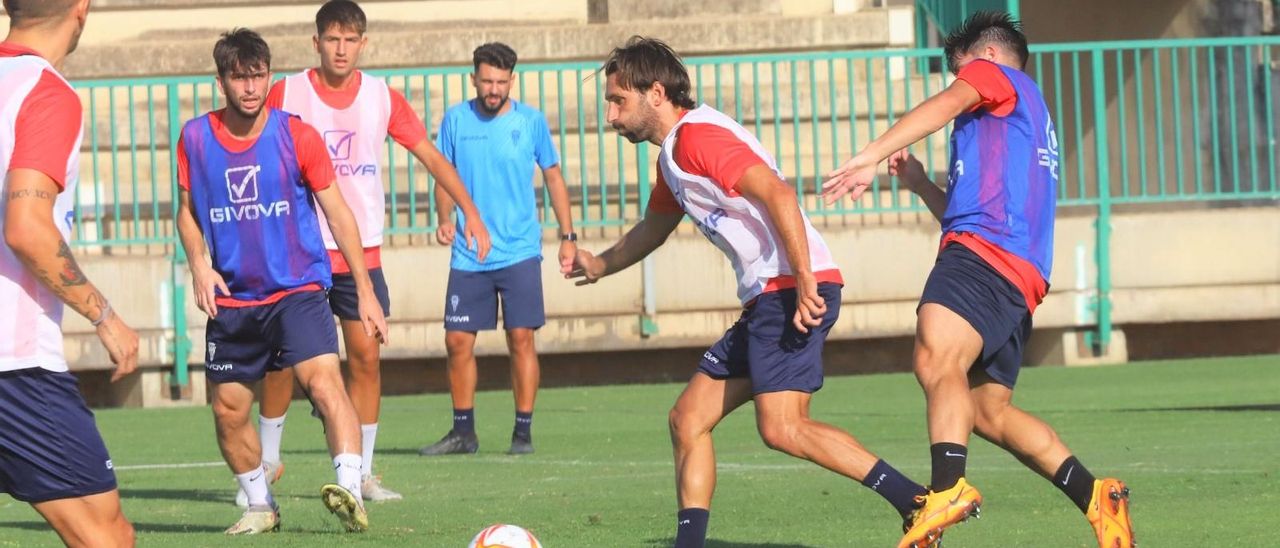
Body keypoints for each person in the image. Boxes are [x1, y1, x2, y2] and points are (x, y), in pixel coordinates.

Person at [569, 36, 930, 548]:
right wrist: (599, 264)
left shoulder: (697, 138)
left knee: (782, 427)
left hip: (790, 289)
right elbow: (655, 227)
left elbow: (778, 191)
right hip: (772, 293)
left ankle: (918, 501)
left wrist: (804, 277)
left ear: (655, 93)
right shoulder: (674, 156)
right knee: (688, 418)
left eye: (617, 101)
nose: (610, 116)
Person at [821, 12, 1134, 548]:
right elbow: (968, 212)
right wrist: (920, 185)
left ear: (986, 59)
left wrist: (868, 156)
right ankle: (1095, 495)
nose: (959, 85)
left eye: (960, 73)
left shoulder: (997, 78)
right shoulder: (1022, 118)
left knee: (936, 357)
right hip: (1018, 276)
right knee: (989, 411)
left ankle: (946, 491)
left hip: (984, 260)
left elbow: (944, 107)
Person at [253, 0, 491, 504]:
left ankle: (361, 474)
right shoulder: (287, 92)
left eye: (351, 39)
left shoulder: (382, 97)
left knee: (365, 359)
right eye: (332, 39)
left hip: (360, 254)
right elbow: (255, 151)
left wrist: (469, 210)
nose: (341, 49)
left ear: (364, 44)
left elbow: (429, 154)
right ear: (316, 43)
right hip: (296, 251)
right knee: (279, 363)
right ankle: (267, 463)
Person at [175, 27, 388, 534]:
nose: (250, 87)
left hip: (297, 290)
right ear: (221, 80)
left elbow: (338, 216)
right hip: (234, 300)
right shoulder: (195, 138)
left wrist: (366, 292)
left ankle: (351, 490)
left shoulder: (297, 135)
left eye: (258, 76)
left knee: (324, 384)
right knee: (228, 411)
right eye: (239, 77)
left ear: (268, 76)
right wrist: (199, 264)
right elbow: (186, 212)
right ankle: (259, 505)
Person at [0, 0, 139, 545]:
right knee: (106, 535)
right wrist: (105, 316)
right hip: (15, 365)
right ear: (81, 7)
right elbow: (28, 228)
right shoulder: (45, 93)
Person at [418, 42, 575, 457]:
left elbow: (554, 178)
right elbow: (442, 176)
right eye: (486, 80)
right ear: (474, 78)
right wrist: (444, 218)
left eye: (501, 82)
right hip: (470, 253)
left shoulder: (531, 121)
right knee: (457, 341)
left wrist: (568, 235)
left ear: (512, 81)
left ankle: (522, 432)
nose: (493, 89)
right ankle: (462, 432)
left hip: (520, 249)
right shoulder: (455, 119)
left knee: (521, 337)